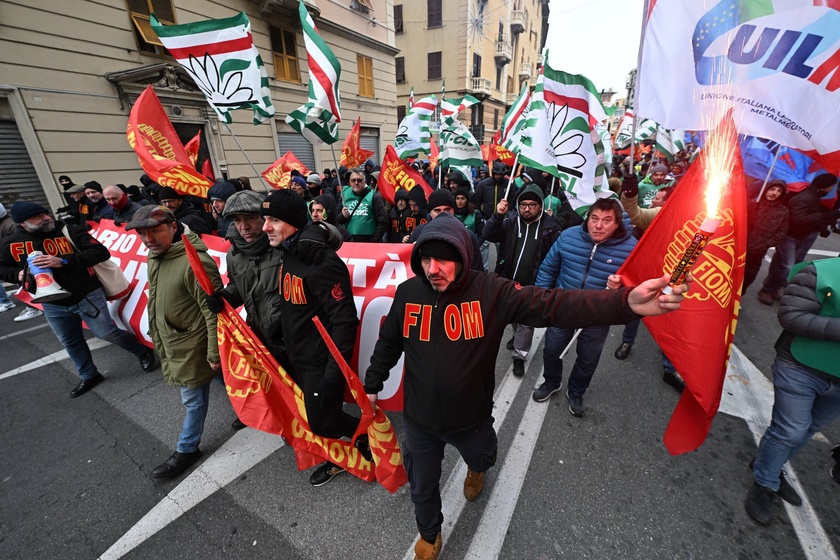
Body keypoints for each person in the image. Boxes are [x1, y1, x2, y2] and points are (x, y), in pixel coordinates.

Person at [362, 212, 691, 560]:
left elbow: (556, 305)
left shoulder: (492, 291)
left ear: (463, 255)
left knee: (483, 456)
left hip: (470, 419)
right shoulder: (408, 293)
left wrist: (623, 303)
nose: (432, 269)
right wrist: (373, 381)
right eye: (426, 259)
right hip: (420, 421)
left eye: (443, 258)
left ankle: (477, 468)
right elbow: (388, 342)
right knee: (422, 487)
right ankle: (430, 536)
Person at [260, 189, 370, 486]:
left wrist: (333, 376)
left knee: (322, 421)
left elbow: (345, 323)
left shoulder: (323, 262)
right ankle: (352, 448)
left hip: (321, 364)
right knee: (318, 418)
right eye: (264, 218)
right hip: (299, 355)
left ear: (294, 222)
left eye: (273, 219)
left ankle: (368, 438)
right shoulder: (289, 251)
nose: (264, 227)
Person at [0, 201, 157, 397]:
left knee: (106, 333)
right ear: (23, 223)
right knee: (71, 341)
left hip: (86, 293)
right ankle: (89, 375)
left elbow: (100, 252)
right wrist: (18, 275)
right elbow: (3, 269)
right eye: (38, 217)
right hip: (51, 303)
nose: (46, 218)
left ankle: (142, 352)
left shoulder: (68, 231)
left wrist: (63, 261)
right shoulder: (11, 243)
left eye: (45, 213)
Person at [126, 205, 223, 478]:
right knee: (223, 379)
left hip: (192, 346)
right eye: (142, 234)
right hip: (176, 342)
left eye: (155, 231)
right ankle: (249, 408)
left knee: (193, 398)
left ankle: (187, 448)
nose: (148, 239)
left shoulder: (196, 262)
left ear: (173, 227)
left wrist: (214, 353)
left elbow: (213, 312)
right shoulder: (155, 255)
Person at [745, 258, 840, 525]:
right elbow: (791, 316)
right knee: (791, 430)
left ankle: (768, 467)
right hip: (801, 367)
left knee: (807, 429)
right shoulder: (821, 271)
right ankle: (765, 482)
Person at [532, 198, 636, 414]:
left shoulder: (631, 250)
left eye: (607, 220)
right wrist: (540, 300)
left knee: (588, 358)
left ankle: (577, 391)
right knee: (551, 350)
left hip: (597, 316)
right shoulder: (568, 236)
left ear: (617, 224)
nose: (598, 225)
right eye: (594, 218)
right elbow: (548, 269)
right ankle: (552, 382)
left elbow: (636, 291)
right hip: (563, 307)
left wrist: (622, 288)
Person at [483, 182, 563, 377]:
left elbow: (556, 258)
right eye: (523, 204)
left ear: (540, 207)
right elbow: (488, 234)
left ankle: (520, 355)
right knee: (511, 315)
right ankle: (515, 333)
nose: (527, 209)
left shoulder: (550, 229)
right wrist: (498, 215)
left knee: (526, 321)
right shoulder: (509, 222)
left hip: (533, 284)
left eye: (532, 205)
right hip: (508, 281)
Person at [757, 174, 840, 305]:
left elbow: (811, 215)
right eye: (832, 186)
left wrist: (823, 226)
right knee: (787, 266)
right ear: (826, 186)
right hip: (789, 236)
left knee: (780, 262)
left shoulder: (814, 196)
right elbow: (797, 219)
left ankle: (772, 287)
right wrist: (826, 216)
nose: (832, 189)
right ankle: (767, 290)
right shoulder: (806, 197)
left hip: (799, 236)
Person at [744, 180, 789, 292]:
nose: (774, 193)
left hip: (758, 251)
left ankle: (739, 295)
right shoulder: (753, 204)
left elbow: (781, 231)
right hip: (741, 246)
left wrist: (766, 244)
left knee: (749, 275)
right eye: (772, 189)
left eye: (779, 191)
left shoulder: (783, 212)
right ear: (765, 189)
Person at [338, 168, 388, 242]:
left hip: (368, 242)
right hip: (348, 241)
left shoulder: (374, 197)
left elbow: (383, 222)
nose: (356, 182)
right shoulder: (344, 196)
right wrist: (342, 216)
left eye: (359, 180)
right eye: (353, 180)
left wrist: (373, 242)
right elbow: (336, 220)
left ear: (364, 182)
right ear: (350, 182)